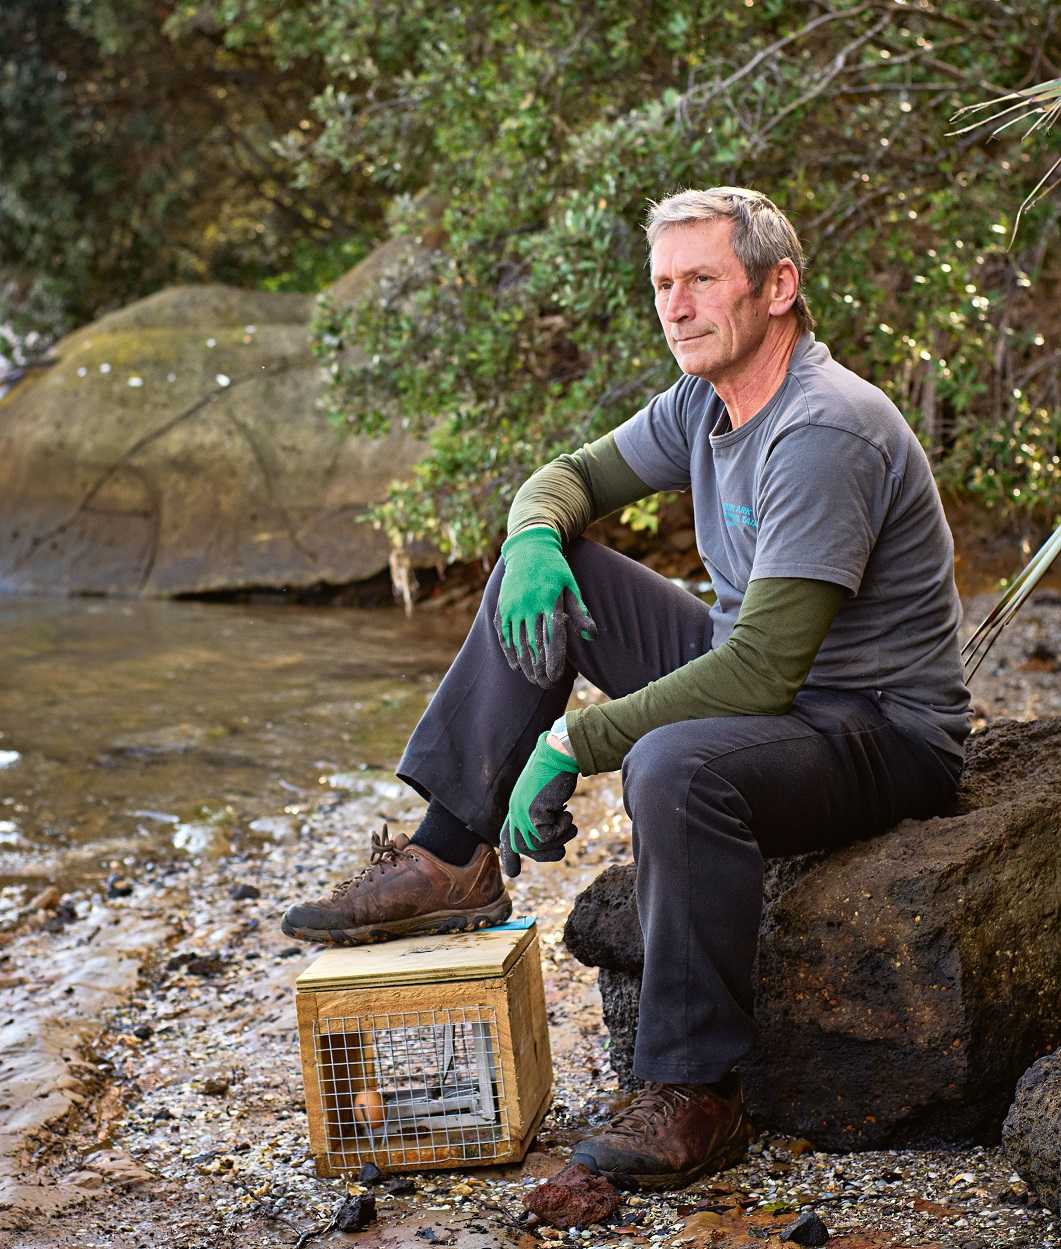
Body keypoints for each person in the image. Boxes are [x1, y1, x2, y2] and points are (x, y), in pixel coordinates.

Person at [281, 187, 971, 1190]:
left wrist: (566, 745)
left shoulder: (825, 428)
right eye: (660, 283)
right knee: (556, 578)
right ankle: (449, 857)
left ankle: (695, 1092)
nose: (675, 305)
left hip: (875, 729)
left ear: (778, 288)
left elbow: (760, 671)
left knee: (671, 764)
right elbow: (565, 476)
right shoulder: (703, 399)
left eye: (700, 279)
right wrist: (525, 542)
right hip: (777, 693)